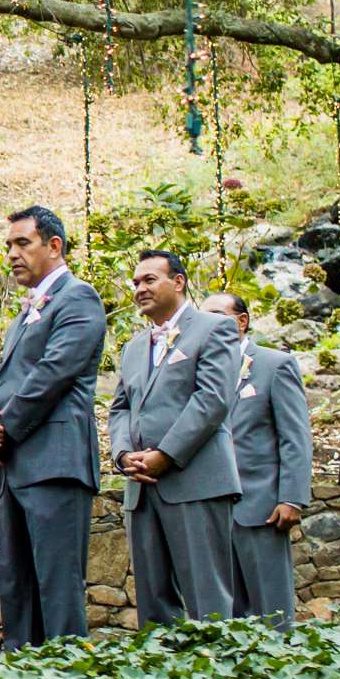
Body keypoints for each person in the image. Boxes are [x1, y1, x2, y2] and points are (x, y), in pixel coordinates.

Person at [0, 206, 106, 649]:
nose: (12, 254)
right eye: (8, 245)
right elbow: (3, 385)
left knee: (57, 587)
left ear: (54, 246)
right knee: (16, 585)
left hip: (55, 463)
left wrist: (4, 426)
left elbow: (54, 373)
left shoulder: (79, 298)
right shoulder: (22, 316)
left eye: (22, 243)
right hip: (15, 465)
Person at [107, 250, 244, 628]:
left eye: (149, 279)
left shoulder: (215, 329)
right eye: (135, 282)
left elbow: (212, 399)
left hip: (195, 482)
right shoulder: (133, 348)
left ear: (179, 282)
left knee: (208, 601)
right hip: (142, 488)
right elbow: (120, 408)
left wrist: (165, 454)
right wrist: (123, 455)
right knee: (153, 604)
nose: (139, 289)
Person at [201, 291, 311, 627]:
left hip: (261, 506)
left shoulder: (274, 365)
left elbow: (295, 436)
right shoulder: (200, 369)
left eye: (218, 315)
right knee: (221, 615)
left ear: (242, 321)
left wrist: (291, 497)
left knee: (272, 612)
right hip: (210, 508)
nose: (210, 325)